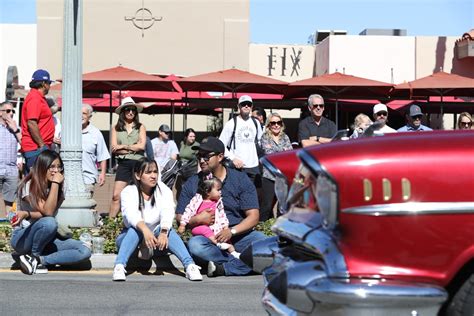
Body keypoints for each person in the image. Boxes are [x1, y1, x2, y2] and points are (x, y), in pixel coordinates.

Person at [176, 137, 266, 277]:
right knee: (195, 245)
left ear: (220, 157)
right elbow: (180, 215)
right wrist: (197, 219)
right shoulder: (193, 182)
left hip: (238, 236)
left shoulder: (240, 179)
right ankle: (240, 262)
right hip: (209, 239)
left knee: (265, 243)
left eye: (206, 156)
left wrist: (232, 231)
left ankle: (223, 268)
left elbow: (253, 216)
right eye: (199, 155)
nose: (201, 160)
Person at [112, 157, 202, 282]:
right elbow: (131, 215)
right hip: (130, 238)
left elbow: (168, 211)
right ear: (138, 175)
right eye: (148, 172)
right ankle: (119, 266)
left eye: (155, 172)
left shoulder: (163, 190)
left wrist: (164, 231)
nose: (153, 176)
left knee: (167, 231)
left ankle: (190, 266)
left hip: (155, 239)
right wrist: (145, 231)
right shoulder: (128, 191)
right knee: (135, 229)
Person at [10, 150, 91, 275]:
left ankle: (37, 259)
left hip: (47, 237)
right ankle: (33, 254)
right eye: (52, 166)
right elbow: (48, 213)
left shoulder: (61, 187)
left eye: (59, 167)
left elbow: (50, 212)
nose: (56, 170)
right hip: (22, 238)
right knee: (49, 223)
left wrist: (28, 213)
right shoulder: (29, 185)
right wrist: (55, 183)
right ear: (42, 167)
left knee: (84, 250)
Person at [178, 171, 240, 258]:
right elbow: (188, 211)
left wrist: (225, 227)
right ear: (207, 192)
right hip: (199, 227)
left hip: (215, 227)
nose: (220, 192)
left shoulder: (218, 203)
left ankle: (233, 253)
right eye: (218, 190)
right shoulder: (197, 200)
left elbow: (222, 215)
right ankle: (217, 243)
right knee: (203, 229)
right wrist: (182, 224)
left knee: (225, 238)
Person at [109, 97, 146, 218]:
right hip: (124, 164)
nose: (130, 112)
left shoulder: (141, 127)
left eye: (133, 110)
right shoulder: (115, 128)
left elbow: (142, 146)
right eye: (127, 109)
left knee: (140, 196)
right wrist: (132, 147)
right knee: (116, 196)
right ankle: (110, 224)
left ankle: (141, 222)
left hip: (138, 164)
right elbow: (114, 148)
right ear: (122, 112)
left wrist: (123, 146)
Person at [219, 95, 263, 184]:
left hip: (254, 166)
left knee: (253, 195)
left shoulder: (256, 123)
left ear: (252, 107)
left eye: (249, 104)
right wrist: (233, 158)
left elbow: (260, 141)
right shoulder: (231, 123)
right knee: (238, 195)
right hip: (238, 167)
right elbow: (220, 145)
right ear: (238, 106)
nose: (246, 106)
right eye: (243, 104)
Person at [21, 69, 55, 174]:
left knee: (39, 185)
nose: (50, 85)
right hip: (36, 149)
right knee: (36, 186)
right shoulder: (35, 98)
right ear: (44, 84)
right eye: (49, 83)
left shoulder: (38, 98)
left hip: (38, 149)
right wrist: (42, 145)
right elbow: (31, 122)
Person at [259, 113, 293, 222]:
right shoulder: (264, 137)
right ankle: (261, 227)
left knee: (282, 206)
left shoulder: (285, 137)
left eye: (279, 122)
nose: (276, 125)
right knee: (267, 205)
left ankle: (280, 229)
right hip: (269, 176)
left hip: (283, 176)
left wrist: (280, 155)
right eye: (273, 123)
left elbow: (290, 154)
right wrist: (283, 154)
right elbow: (269, 155)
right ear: (269, 124)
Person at [81, 104, 111, 194]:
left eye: (84, 113)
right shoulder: (69, 131)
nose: (81, 116)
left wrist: (102, 173)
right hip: (69, 178)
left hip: (88, 178)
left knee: (86, 204)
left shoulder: (96, 133)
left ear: (89, 116)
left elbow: (103, 155)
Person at [0, 101, 22, 219]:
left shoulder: (17, 129)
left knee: (10, 202)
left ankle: (9, 226)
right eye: (8, 111)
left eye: (12, 111)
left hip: (11, 170)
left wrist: (15, 129)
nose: (11, 114)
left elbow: (24, 145)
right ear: (0, 113)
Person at [176, 128, 199, 198]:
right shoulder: (182, 144)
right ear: (186, 137)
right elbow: (179, 156)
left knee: (190, 188)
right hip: (182, 170)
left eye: (194, 136)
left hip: (192, 170)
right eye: (191, 136)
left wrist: (199, 169)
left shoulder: (196, 145)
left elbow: (199, 158)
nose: (193, 138)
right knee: (182, 189)